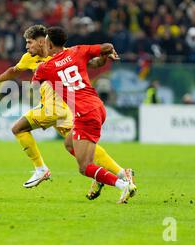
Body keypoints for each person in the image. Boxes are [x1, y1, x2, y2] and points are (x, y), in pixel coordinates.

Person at [0, 25, 132, 201]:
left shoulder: (51, 62)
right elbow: (14, 71)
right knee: (74, 144)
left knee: (19, 128)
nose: (27, 47)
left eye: (29, 42)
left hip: (56, 109)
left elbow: (33, 83)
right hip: (77, 109)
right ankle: (121, 173)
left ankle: (41, 169)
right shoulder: (68, 53)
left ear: (44, 42)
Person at [32, 27, 137, 204]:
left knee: (84, 167)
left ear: (49, 43)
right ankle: (105, 174)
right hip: (97, 107)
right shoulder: (77, 51)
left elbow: (34, 86)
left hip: (84, 114)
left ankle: (123, 184)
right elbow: (106, 47)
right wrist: (108, 53)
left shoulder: (45, 67)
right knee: (68, 143)